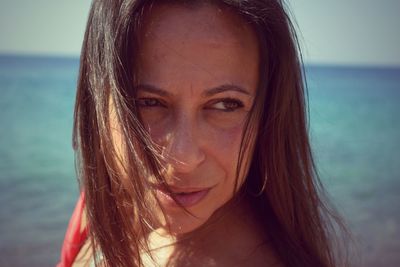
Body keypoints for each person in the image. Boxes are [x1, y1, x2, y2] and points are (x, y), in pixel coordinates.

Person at [58, 0, 348, 266]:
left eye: (225, 104)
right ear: (96, 99)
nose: (182, 159)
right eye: (148, 102)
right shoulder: (104, 208)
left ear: (269, 112)